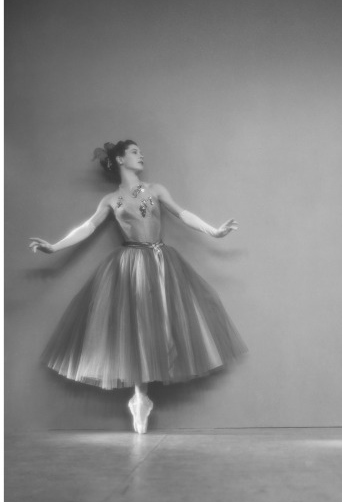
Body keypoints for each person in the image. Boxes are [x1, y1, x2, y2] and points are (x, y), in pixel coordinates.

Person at [29, 140, 247, 434]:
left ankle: (141, 397)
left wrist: (214, 231)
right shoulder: (110, 200)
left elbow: (181, 213)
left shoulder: (155, 190)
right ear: (119, 159)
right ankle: (139, 397)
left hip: (160, 262)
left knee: (165, 325)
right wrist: (54, 247)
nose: (140, 154)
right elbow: (88, 227)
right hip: (129, 266)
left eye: (139, 151)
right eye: (134, 151)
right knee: (136, 328)